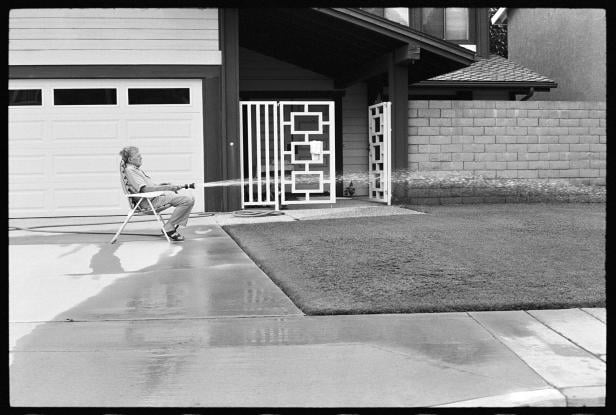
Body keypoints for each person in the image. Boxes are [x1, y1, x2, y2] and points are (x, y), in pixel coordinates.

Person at [119, 146, 195, 242]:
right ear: (130, 159)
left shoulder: (134, 169)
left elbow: (147, 186)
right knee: (187, 200)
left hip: (152, 199)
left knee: (190, 198)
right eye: (138, 156)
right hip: (148, 202)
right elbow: (145, 190)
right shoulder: (131, 170)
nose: (141, 157)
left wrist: (162, 185)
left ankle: (170, 226)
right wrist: (168, 188)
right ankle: (169, 227)